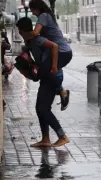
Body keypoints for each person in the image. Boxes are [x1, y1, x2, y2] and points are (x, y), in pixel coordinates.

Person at [16, 17, 69, 147]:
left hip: (53, 76)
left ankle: (62, 136)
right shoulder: (29, 43)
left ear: (23, 30)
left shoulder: (37, 40)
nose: (20, 34)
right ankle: (45, 138)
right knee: (40, 108)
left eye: (20, 31)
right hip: (46, 77)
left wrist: (55, 67)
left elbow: (54, 46)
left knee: (43, 108)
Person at [27, 0, 71, 110]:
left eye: (33, 10)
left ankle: (63, 92)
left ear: (37, 8)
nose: (32, 13)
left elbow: (35, 32)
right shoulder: (48, 16)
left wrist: (28, 35)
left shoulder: (44, 16)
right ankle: (61, 92)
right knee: (49, 73)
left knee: (49, 71)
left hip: (61, 51)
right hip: (64, 51)